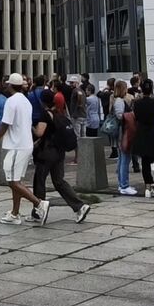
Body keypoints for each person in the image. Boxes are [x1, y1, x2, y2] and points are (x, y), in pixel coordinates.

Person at [0, 73, 50, 225]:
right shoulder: (26, 101)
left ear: (9, 85)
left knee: (13, 181)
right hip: (25, 143)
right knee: (16, 181)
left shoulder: (11, 101)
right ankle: (15, 213)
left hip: (16, 145)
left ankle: (39, 204)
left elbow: (5, 124)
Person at [29, 91, 90, 224]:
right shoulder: (59, 113)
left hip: (46, 153)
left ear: (42, 101)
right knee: (59, 181)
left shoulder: (45, 115)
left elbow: (39, 133)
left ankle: (38, 211)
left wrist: (31, 126)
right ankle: (79, 206)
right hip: (59, 152)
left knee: (39, 181)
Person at [113, 81, 136, 195]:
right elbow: (119, 116)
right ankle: (124, 185)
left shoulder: (118, 100)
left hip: (123, 132)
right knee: (125, 159)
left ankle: (122, 184)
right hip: (124, 133)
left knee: (123, 159)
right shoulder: (119, 101)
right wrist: (131, 114)